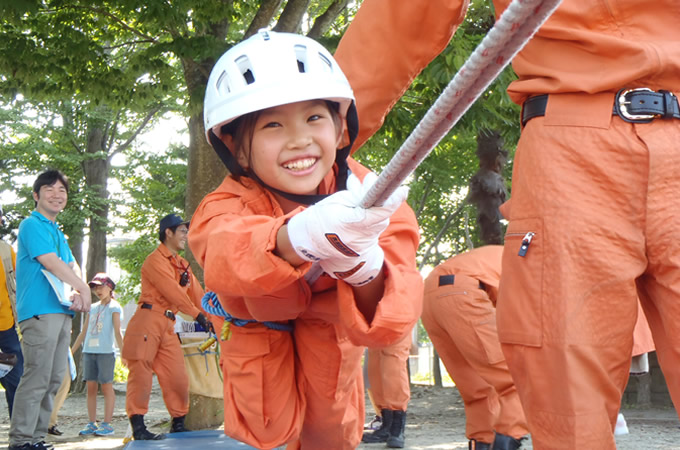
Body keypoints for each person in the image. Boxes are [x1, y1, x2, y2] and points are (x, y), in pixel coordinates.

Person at [335, 1, 680, 447]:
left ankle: (484, 436)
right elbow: (406, 14)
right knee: (566, 401)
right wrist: (319, 134)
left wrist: (313, 139)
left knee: (517, 379)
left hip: (447, 286)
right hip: (571, 140)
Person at [189, 30, 422, 449]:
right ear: (238, 150)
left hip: (331, 335)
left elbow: (395, 314)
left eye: (314, 118)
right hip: (257, 336)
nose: (299, 139)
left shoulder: (371, 195)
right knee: (268, 431)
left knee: (331, 430)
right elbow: (220, 246)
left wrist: (363, 266)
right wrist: (303, 234)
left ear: (340, 129)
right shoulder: (229, 199)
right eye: (273, 125)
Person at [9, 169, 92, 450]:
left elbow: (70, 264)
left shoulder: (57, 231)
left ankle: (36, 438)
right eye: (49, 189)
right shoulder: (31, 225)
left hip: (61, 311)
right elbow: (50, 262)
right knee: (37, 374)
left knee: (55, 377)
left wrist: (78, 287)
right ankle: (20, 440)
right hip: (38, 311)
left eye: (62, 190)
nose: (57, 195)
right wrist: (84, 288)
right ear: (36, 195)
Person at [421, 246, 528, 450]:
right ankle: (508, 437)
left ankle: (482, 443)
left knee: (477, 389)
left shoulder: (508, 252)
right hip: (464, 291)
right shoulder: (538, 264)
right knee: (517, 379)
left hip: (429, 296)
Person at [122, 213, 208, 441]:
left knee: (178, 376)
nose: (185, 236)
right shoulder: (154, 261)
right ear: (167, 233)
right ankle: (138, 428)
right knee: (141, 374)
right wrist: (198, 316)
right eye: (181, 231)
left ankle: (178, 424)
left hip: (168, 325)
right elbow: (172, 291)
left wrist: (216, 316)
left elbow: (199, 295)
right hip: (147, 321)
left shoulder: (182, 265)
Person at [71, 272, 124, 436]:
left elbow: (117, 332)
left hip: (106, 353)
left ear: (110, 287)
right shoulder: (93, 308)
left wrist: (125, 353)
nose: (98, 290)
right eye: (94, 287)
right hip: (89, 352)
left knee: (107, 387)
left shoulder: (115, 307)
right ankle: (92, 423)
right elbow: (84, 331)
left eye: (101, 286)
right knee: (91, 388)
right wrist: (71, 352)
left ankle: (107, 424)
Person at [361, 333, 413, 448]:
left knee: (394, 358)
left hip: (397, 318)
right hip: (375, 320)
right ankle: (386, 425)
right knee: (375, 360)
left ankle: (397, 429)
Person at [0, 205, 23, 419]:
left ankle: (19, 433)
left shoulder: (7, 250)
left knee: (15, 379)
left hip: (6, 326)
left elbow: (23, 277)